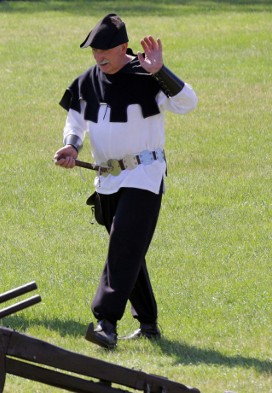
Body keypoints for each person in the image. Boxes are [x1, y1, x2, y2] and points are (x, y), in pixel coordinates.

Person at [53, 13, 197, 349]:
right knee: (129, 251)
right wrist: (72, 145)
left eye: (105, 50)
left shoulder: (146, 76)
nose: (99, 56)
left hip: (144, 175)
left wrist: (160, 71)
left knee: (123, 246)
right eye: (93, 51)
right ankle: (148, 323)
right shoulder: (88, 80)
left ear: (123, 47)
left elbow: (188, 103)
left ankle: (106, 323)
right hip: (106, 179)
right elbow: (75, 119)